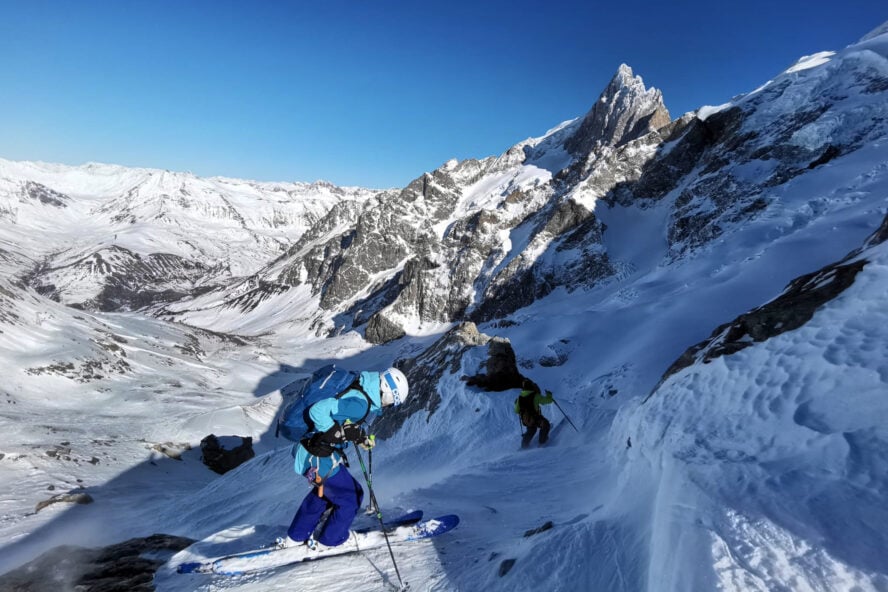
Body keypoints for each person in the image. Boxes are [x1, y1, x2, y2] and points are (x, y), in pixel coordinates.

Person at [278, 367, 409, 551]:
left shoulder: (361, 390)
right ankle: (330, 541)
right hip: (318, 455)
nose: (387, 405)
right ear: (386, 391)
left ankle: (295, 538)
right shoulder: (360, 404)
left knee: (324, 496)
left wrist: (359, 437)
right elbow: (318, 411)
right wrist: (336, 432)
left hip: (312, 451)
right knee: (351, 496)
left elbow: (343, 420)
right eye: (390, 401)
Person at [514, 379, 554, 448]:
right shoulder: (535, 395)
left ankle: (524, 446)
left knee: (531, 430)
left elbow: (516, 411)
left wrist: (517, 403)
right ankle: (542, 442)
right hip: (535, 418)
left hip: (526, 420)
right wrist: (549, 395)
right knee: (545, 424)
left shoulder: (520, 398)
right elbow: (548, 401)